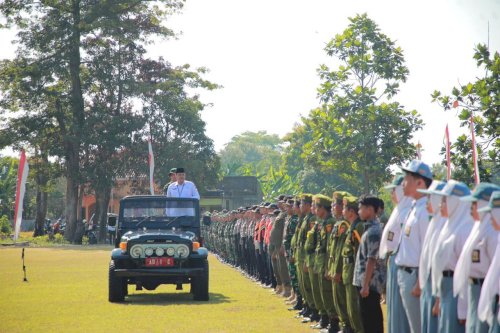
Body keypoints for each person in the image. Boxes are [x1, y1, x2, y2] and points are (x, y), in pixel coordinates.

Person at [454, 183, 500, 333]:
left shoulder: (492, 234)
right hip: (474, 291)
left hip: (487, 292)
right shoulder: (477, 229)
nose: (471, 207)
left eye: (474, 203)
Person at [394, 159, 433, 333]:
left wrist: (420, 282)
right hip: (405, 273)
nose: (403, 183)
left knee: (419, 327)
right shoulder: (414, 208)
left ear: (419, 182)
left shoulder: (425, 212)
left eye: (407, 178)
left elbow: (428, 249)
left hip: (415, 275)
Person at [430, 180, 473, 333]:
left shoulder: (465, 229)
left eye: (444, 200)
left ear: (455, 202)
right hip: (445, 287)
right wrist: (438, 299)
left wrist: (463, 308)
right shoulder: (448, 226)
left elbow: (468, 272)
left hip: (457, 290)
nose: (440, 204)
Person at [353, 194, 385, 333]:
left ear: (370, 209)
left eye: (361, 208)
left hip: (370, 284)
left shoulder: (374, 231)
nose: (359, 211)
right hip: (366, 282)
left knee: (371, 320)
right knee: (367, 319)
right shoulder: (370, 228)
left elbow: (372, 259)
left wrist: (365, 285)